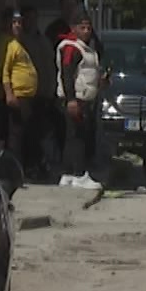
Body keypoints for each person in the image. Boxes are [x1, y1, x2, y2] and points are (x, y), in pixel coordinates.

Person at [56, 14, 104, 190]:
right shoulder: (71, 48)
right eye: (82, 28)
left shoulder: (86, 48)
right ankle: (79, 174)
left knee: (72, 136)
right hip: (77, 99)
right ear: (73, 28)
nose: (86, 31)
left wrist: (101, 81)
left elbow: (87, 73)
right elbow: (67, 75)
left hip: (85, 98)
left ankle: (67, 174)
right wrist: (71, 100)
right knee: (78, 138)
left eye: (89, 28)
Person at [21, 5, 60, 180]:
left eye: (33, 18)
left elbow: (51, 67)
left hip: (45, 93)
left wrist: (51, 89)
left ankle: (41, 164)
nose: (31, 22)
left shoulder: (43, 40)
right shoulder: (21, 41)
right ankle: (30, 165)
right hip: (27, 95)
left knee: (42, 132)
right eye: (27, 18)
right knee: (29, 133)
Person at [0, 9, 38, 168]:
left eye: (20, 23)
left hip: (26, 96)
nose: (18, 26)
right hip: (17, 95)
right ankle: (16, 168)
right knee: (17, 135)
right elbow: (5, 71)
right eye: (14, 22)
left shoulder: (17, 44)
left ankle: (23, 167)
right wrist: (9, 94)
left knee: (25, 134)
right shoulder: (8, 44)